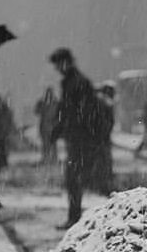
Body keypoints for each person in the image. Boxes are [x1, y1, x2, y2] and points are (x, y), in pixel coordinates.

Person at [49, 47, 103, 229]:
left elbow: (76, 111)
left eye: (58, 64)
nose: (57, 69)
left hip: (81, 137)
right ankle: (75, 216)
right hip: (77, 135)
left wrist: (63, 127)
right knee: (75, 177)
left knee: (74, 177)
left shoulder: (76, 82)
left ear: (66, 62)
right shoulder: (72, 82)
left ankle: (75, 218)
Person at [35, 87, 60, 165]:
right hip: (44, 127)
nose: (49, 96)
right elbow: (36, 112)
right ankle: (46, 159)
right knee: (45, 145)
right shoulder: (42, 104)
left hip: (53, 127)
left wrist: (56, 124)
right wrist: (41, 103)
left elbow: (59, 115)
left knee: (53, 145)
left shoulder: (56, 103)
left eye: (50, 94)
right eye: (47, 94)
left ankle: (54, 160)